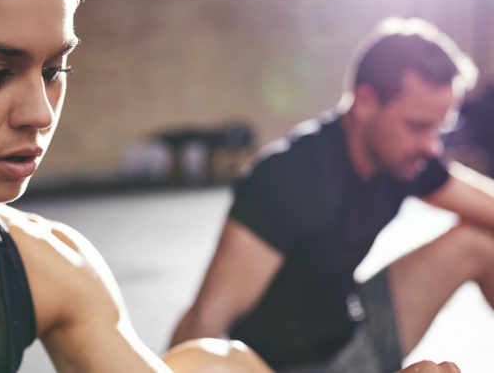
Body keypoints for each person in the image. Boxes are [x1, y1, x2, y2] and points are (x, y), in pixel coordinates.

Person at [0, 0, 462, 372]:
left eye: (55, 69)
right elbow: (211, 312)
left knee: (219, 364)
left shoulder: (51, 267)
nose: (40, 113)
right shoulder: (297, 177)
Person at [170, 18, 492, 373]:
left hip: (352, 329)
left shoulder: (407, 159)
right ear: (366, 103)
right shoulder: (290, 179)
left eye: (439, 128)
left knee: (481, 242)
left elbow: (486, 206)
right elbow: (203, 323)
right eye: (418, 126)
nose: (432, 146)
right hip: (286, 366)